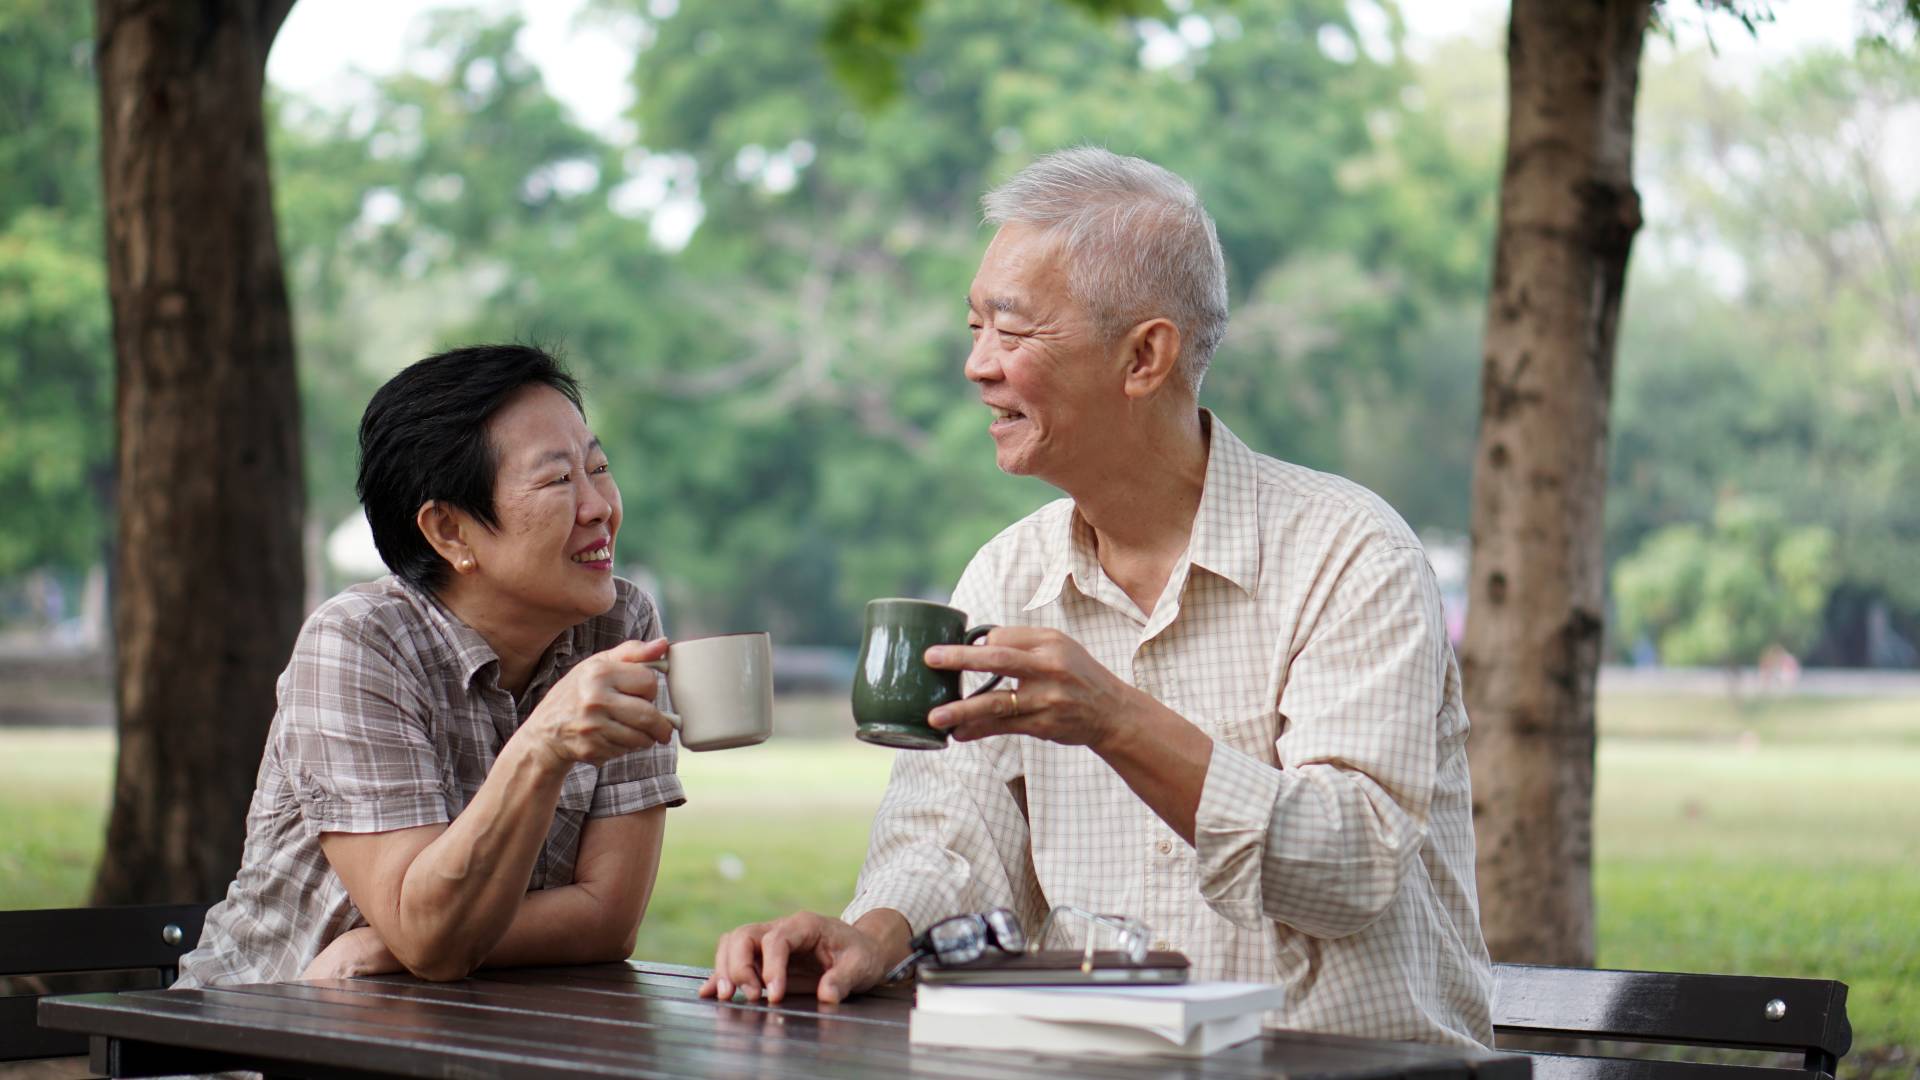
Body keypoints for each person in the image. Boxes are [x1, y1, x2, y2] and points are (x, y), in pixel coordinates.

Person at [702, 148, 1493, 1047]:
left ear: (1144, 356)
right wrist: (870, 933)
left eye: (1011, 330)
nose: (977, 365)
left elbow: (1350, 865)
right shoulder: (1006, 575)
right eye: (973, 327)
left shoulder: (1350, 552)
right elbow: (955, 838)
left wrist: (1114, 719)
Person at [175, 344, 683, 987]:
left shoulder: (620, 628)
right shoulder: (359, 644)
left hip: (468, 1034)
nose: (599, 507)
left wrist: (385, 951)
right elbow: (431, 936)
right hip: (256, 1036)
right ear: (449, 531)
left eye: (599, 467)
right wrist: (542, 746)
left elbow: (607, 919)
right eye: (558, 480)